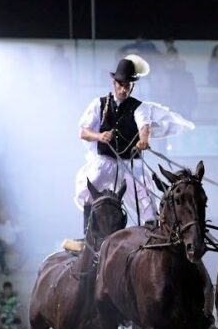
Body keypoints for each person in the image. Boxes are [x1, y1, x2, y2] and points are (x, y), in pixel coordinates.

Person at [75, 54, 195, 234]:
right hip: (105, 161)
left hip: (130, 165)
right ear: (114, 83)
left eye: (127, 86)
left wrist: (143, 140)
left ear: (132, 86)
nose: (123, 89)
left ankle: (152, 235)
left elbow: (144, 126)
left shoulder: (139, 107)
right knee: (87, 189)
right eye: (121, 85)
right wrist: (99, 136)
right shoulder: (99, 104)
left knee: (145, 200)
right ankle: (87, 236)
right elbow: (83, 132)